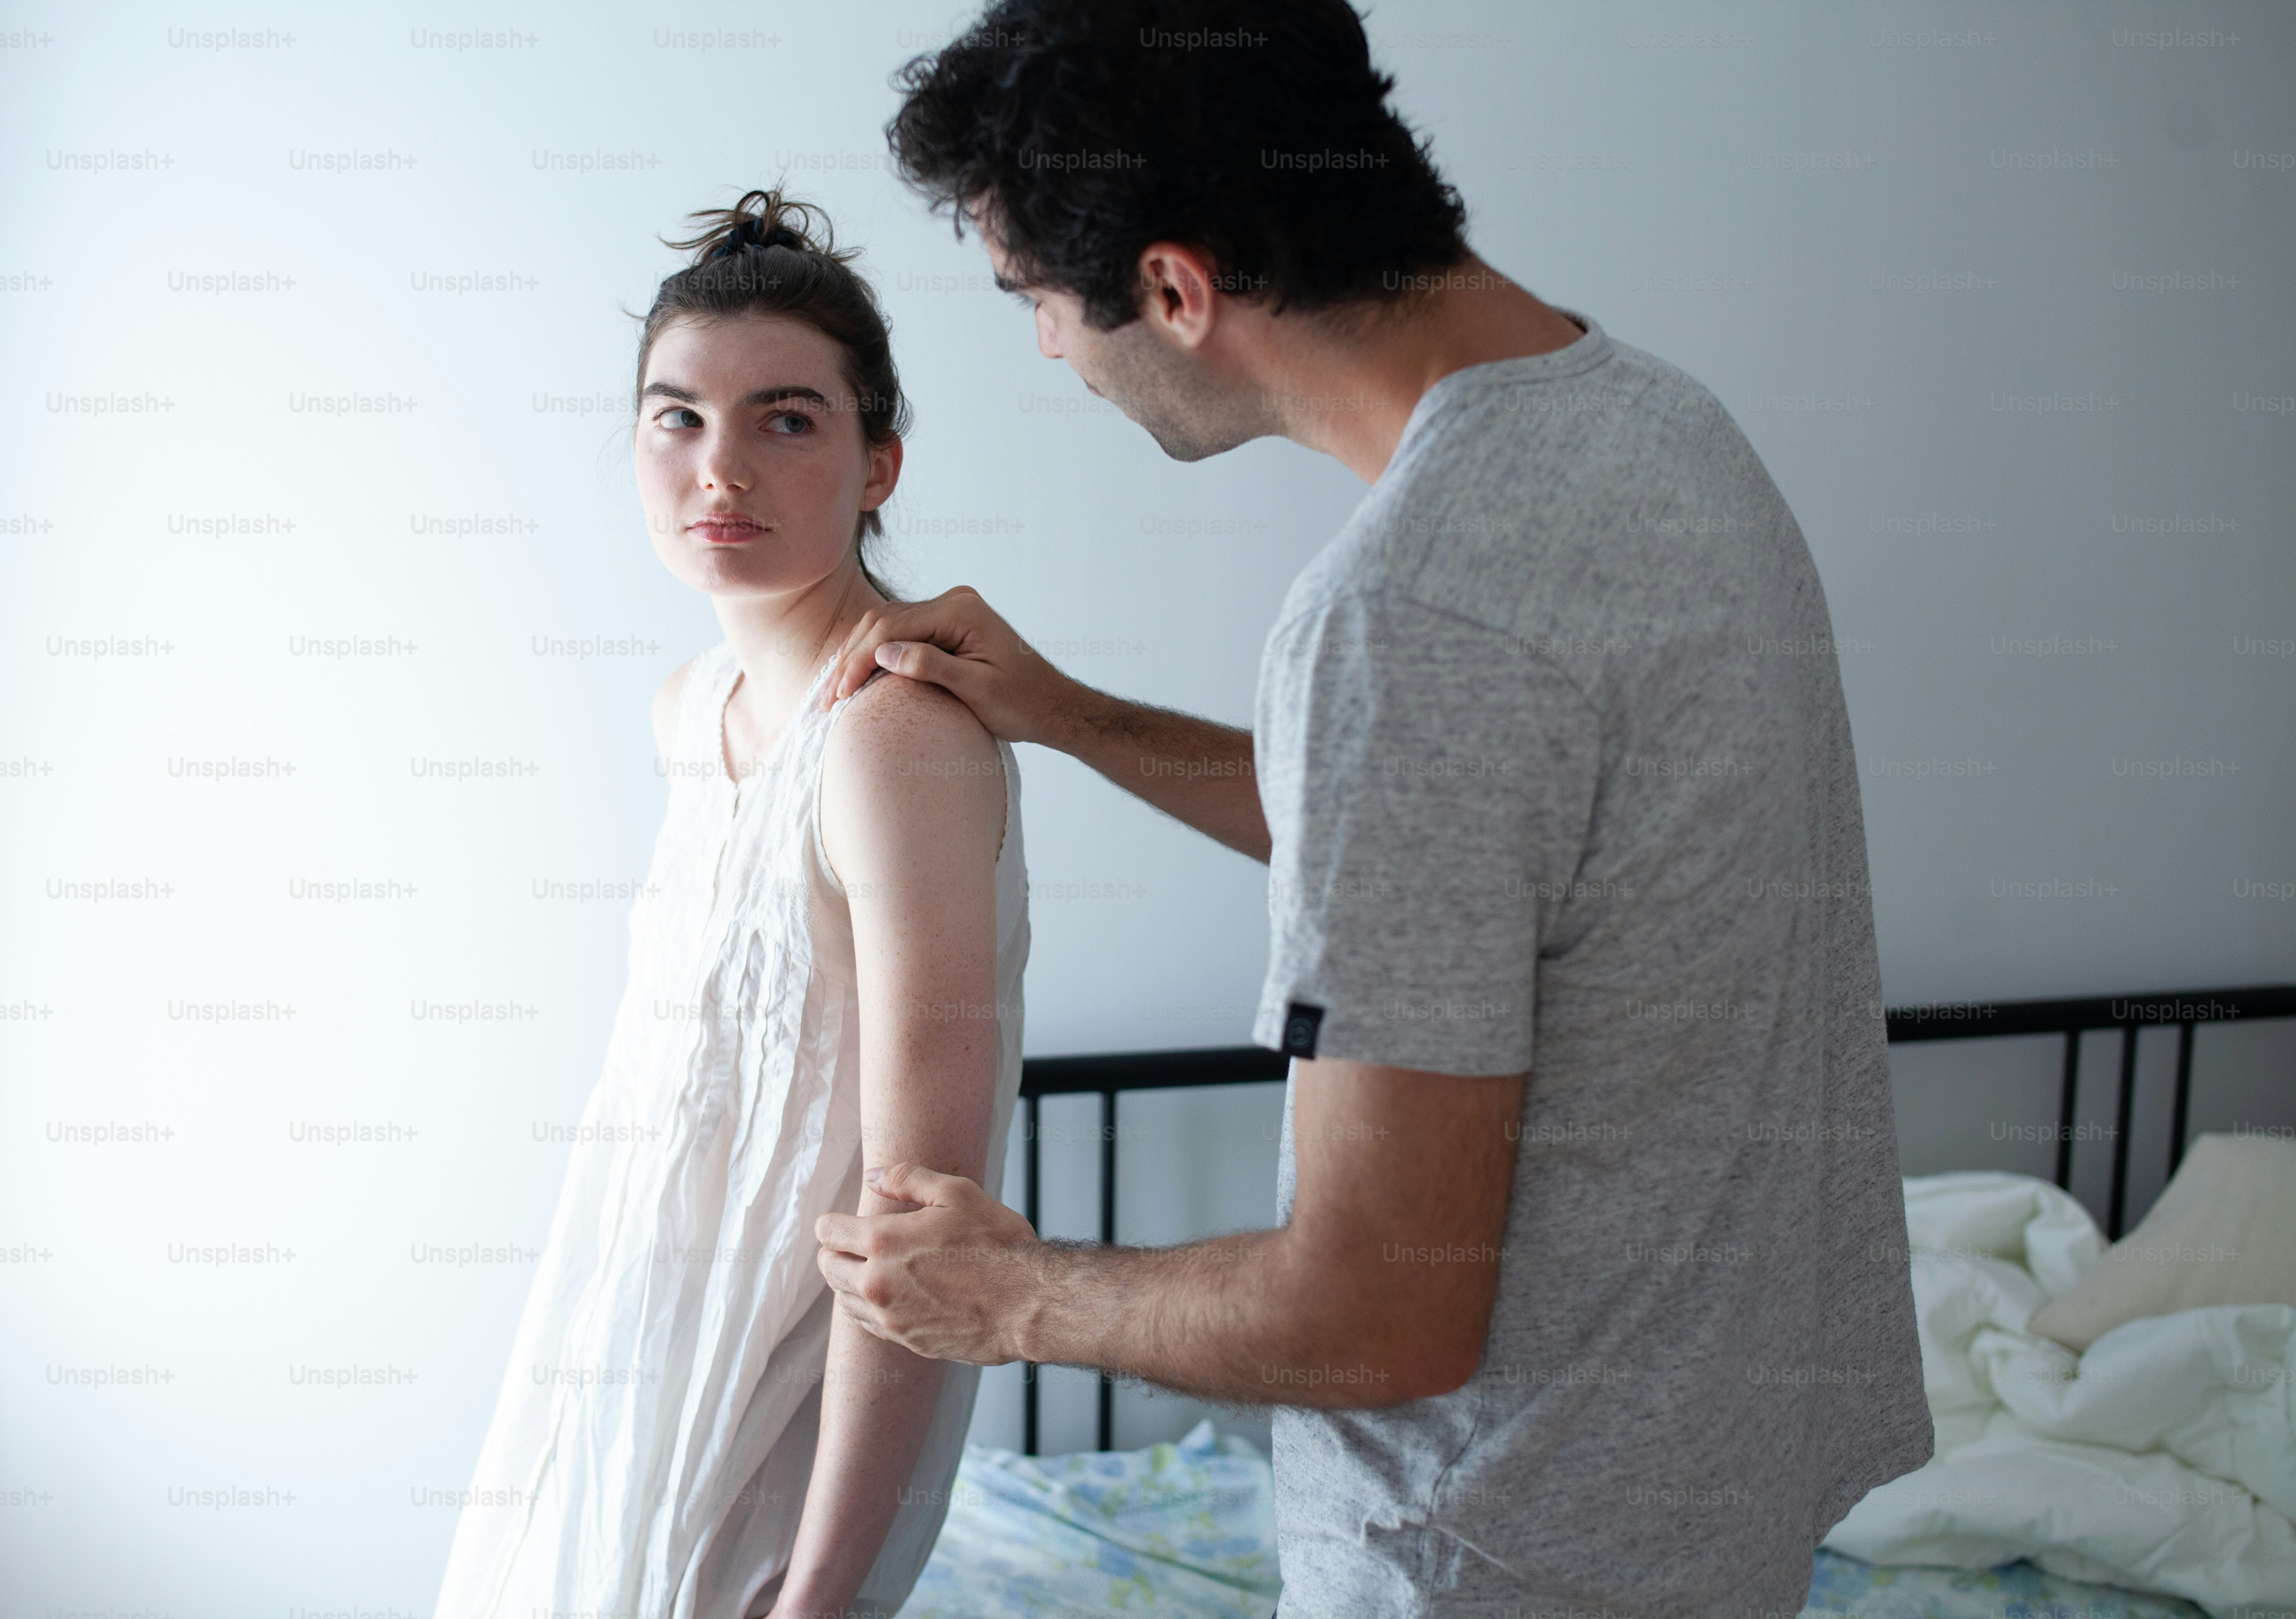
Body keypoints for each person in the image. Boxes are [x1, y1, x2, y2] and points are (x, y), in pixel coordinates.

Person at [810, 4, 1934, 1617]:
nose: (1049, 349)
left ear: (1176, 291)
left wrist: (1017, 1296)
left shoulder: (1405, 617)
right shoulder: (1663, 431)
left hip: (1503, 1558)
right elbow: (1480, 854)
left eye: (1035, 301)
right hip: (1710, 1520)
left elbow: (1374, 1316)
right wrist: (1075, 716)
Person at [434, 190, 1027, 1619]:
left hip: (784, 1423)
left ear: (880, 464)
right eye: (678, 419)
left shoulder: (891, 742)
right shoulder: (686, 711)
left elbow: (914, 1225)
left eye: (787, 419)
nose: (721, 468)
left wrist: (817, 1591)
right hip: (625, 1351)